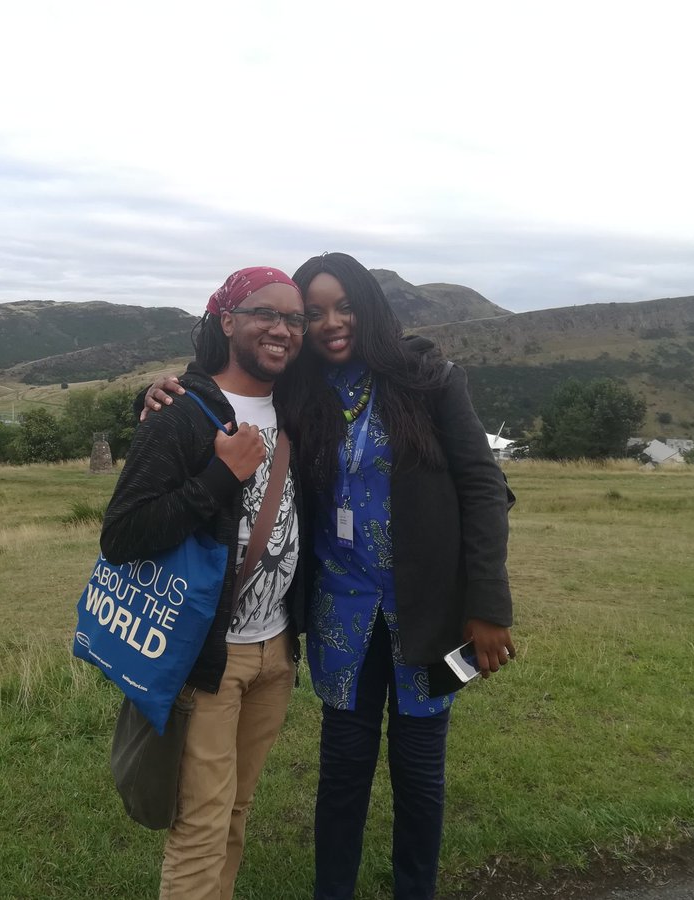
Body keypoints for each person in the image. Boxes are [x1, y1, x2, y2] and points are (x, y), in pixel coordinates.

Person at [142, 252, 515, 899]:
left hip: (438, 615)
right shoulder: (299, 390)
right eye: (314, 313)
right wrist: (153, 392)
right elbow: (225, 397)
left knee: (421, 770)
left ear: (368, 306)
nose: (331, 323)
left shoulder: (430, 379)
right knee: (343, 769)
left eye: (344, 306)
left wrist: (490, 605)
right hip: (339, 616)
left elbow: (484, 487)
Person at [101, 266, 308, 900]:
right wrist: (217, 480)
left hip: (278, 651)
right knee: (200, 824)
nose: (281, 328)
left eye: (293, 318)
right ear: (227, 321)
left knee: (237, 810)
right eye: (264, 313)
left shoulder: (300, 410)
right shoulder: (183, 414)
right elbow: (124, 533)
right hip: (210, 657)